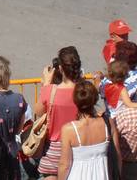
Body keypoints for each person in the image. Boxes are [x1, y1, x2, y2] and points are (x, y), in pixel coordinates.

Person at [34, 46, 82, 179]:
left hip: (54, 149)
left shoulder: (50, 90)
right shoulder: (83, 91)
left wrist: (46, 84)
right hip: (77, 147)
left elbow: (38, 112)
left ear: (60, 68)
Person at [58, 80, 121, 179]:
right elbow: (117, 156)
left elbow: (64, 165)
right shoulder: (108, 123)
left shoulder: (68, 130)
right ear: (95, 99)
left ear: (75, 100)